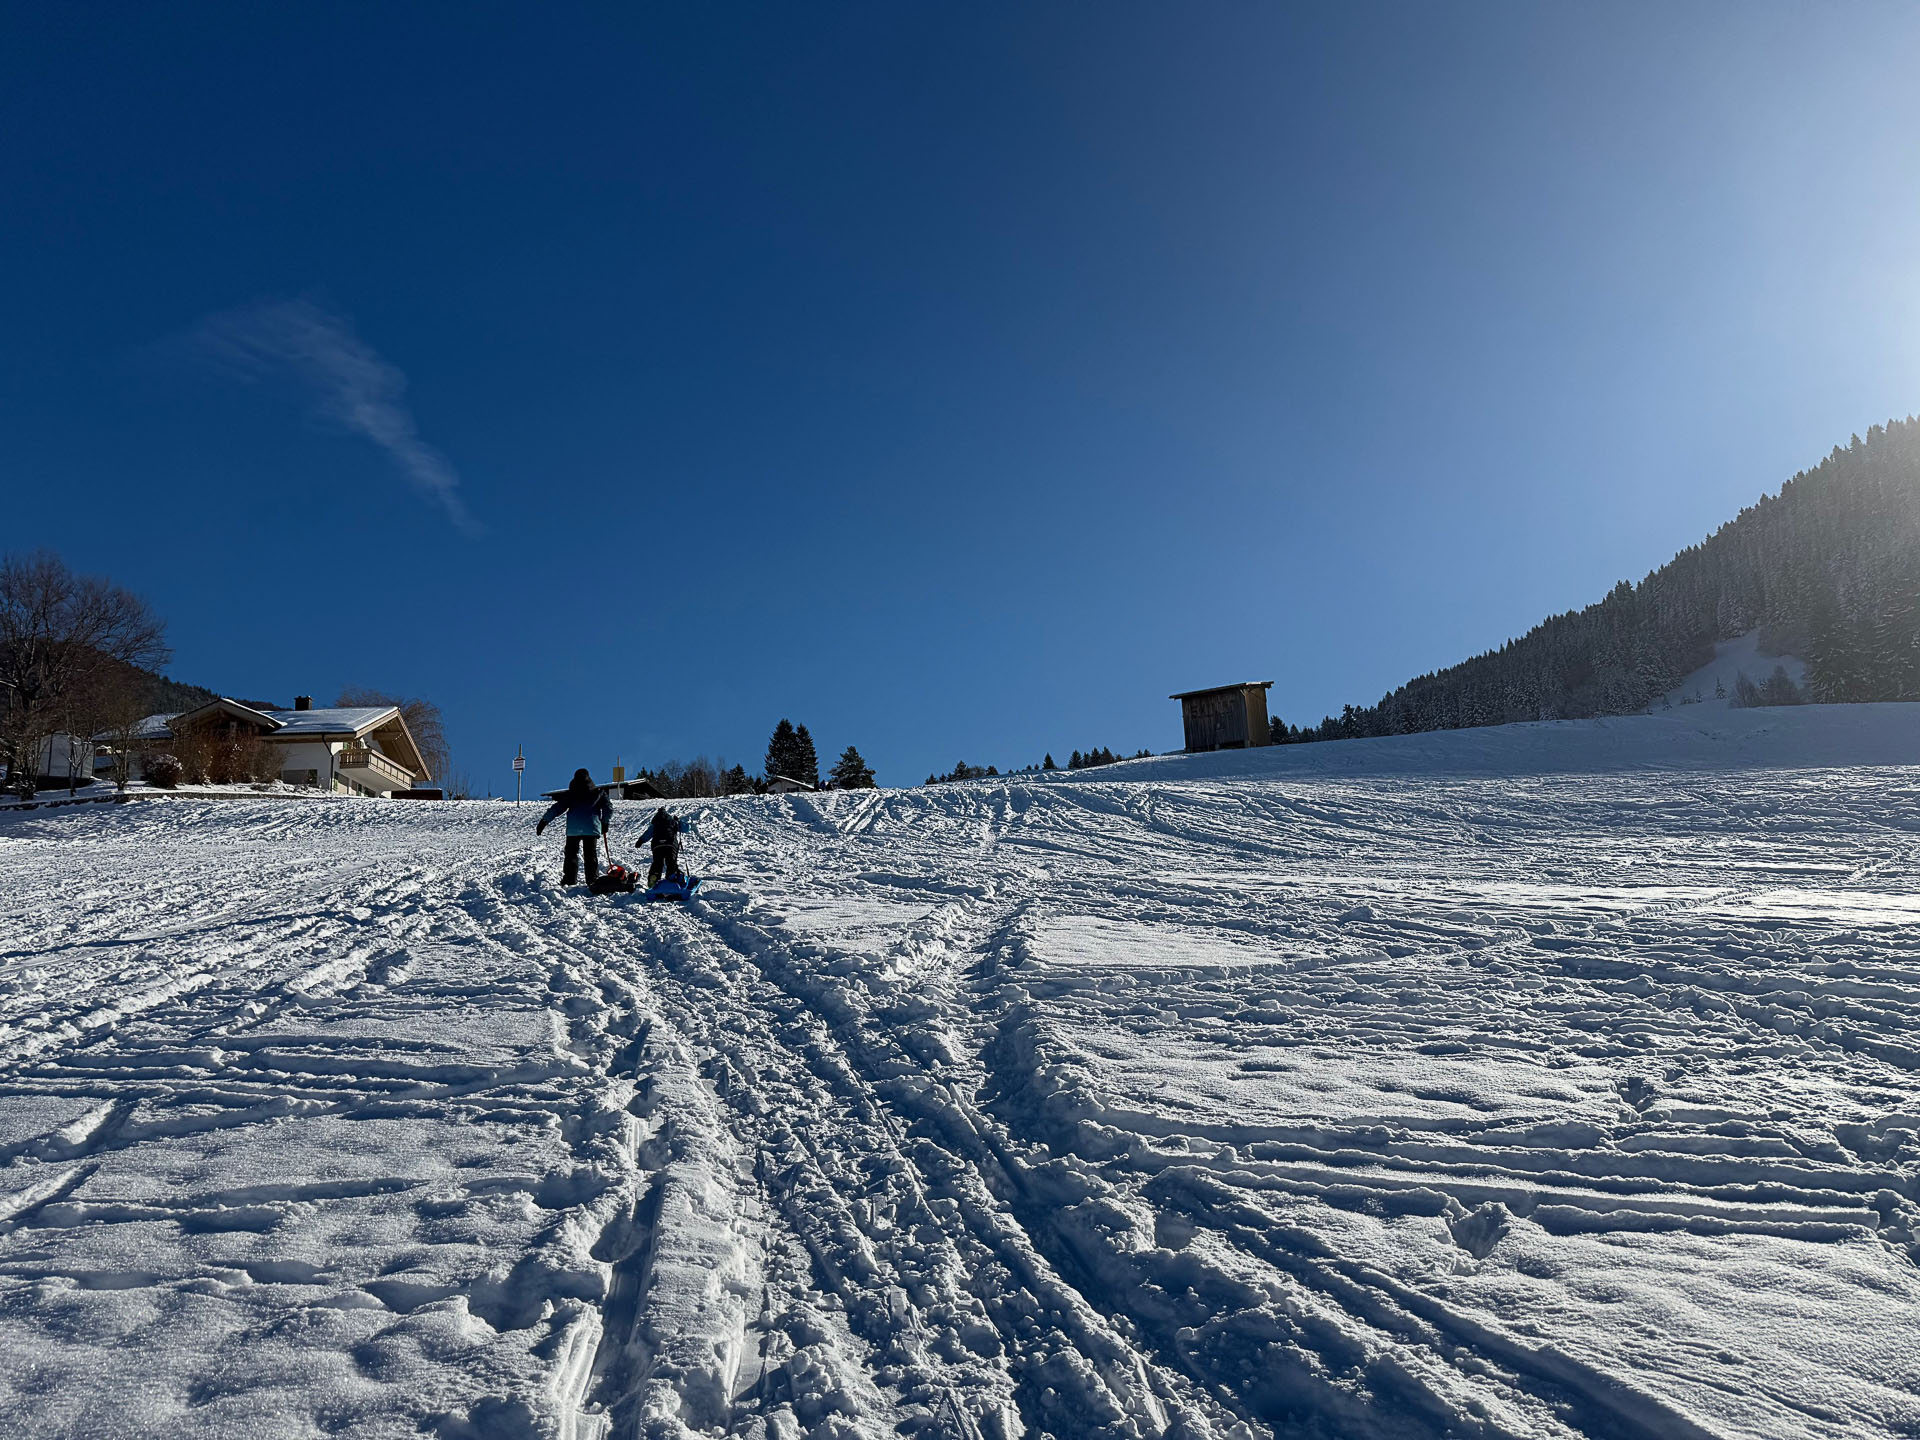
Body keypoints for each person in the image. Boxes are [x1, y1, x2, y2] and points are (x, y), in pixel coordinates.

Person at [536, 769, 613, 885]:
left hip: (574, 829)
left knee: (571, 854)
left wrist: (544, 821)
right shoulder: (598, 792)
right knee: (590, 854)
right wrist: (605, 822)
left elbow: (557, 808)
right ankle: (592, 880)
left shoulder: (571, 794)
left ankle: (569, 879)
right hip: (591, 828)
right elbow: (608, 808)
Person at [645, 806, 682, 887]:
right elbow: (685, 828)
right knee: (671, 862)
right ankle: (671, 879)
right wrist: (679, 821)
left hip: (657, 845)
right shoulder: (672, 821)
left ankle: (654, 877)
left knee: (657, 863)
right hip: (670, 844)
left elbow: (647, 834)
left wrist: (640, 841)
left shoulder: (655, 824)